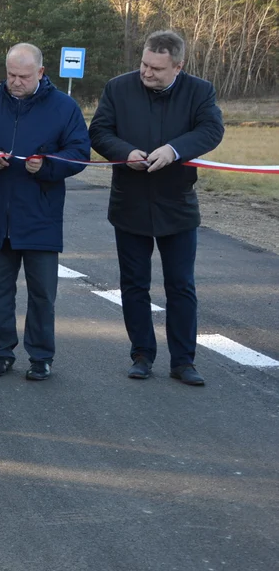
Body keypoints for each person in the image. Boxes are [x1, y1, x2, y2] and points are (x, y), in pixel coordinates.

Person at [89, 29, 224, 386]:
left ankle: (183, 361)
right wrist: (124, 152)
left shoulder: (200, 92)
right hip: (129, 202)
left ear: (178, 67)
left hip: (177, 204)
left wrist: (174, 150)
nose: (146, 73)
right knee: (134, 284)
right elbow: (100, 131)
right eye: (144, 64)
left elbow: (211, 130)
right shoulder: (119, 88)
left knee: (181, 285)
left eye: (157, 69)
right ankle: (142, 354)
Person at [0, 43, 90, 381]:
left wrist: (47, 165)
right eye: (11, 75)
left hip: (40, 215)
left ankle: (41, 356)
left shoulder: (64, 107)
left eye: (24, 76)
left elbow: (79, 151)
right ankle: (1, 354)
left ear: (41, 73)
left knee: (42, 293)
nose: (15, 82)